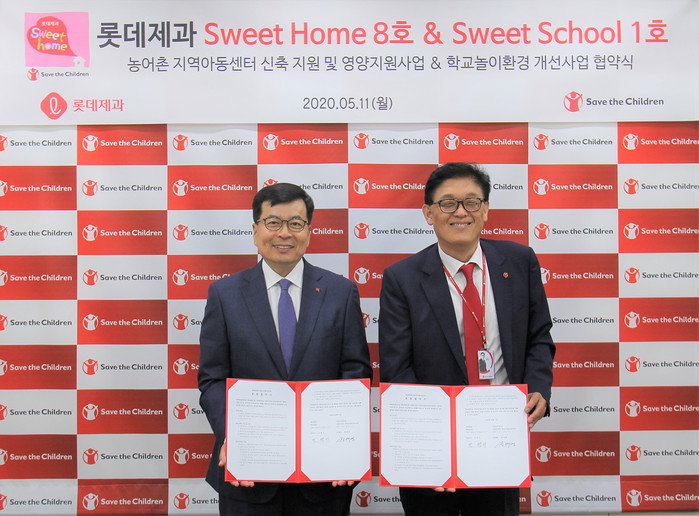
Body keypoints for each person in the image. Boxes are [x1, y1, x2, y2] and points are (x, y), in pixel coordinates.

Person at [379, 162, 556, 516]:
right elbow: (397, 368)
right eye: (448, 203)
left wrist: (539, 387)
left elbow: (539, 336)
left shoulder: (519, 262)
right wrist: (430, 445)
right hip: (432, 448)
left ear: (485, 209)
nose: (460, 212)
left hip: (499, 438)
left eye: (471, 202)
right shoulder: (402, 278)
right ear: (428, 213)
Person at [198, 182, 371, 516]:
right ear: (255, 231)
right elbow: (212, 379)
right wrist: (234, 436)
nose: (284, 233)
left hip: (324, 474)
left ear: (309, 231)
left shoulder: (340, 292)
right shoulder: (224, 294)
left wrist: (344, 444)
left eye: (296, 223)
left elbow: (355, 373)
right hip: (248, 473)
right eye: (273, 222)